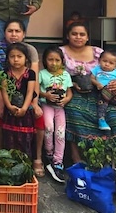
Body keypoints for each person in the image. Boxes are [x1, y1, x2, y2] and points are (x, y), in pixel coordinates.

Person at [61, 22, 116, 164]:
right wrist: (72, 84)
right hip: (74, 92)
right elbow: (55, 74)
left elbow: (114, 71)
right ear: (68, 36)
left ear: (87, 37)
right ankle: (76, 157)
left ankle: (107, 159)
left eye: (82, 34)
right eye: (74, 34)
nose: (78, 37)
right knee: (73, 111)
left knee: (113, 117)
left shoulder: (98, 52)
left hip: (101, 94)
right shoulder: (60, 53)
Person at [0, 19, 45, 176]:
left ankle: (37, 158)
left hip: (26, 89)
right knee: (0, 115)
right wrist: (1, 102)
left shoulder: (29, 50)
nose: (13, 34)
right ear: (4, 33)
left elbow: (33, 79)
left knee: (38, 117)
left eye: (17, 31)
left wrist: (34, 102)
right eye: (10, 31)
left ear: (24, 34)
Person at [38, 46, 74, 183]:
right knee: (48, 127)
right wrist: (45, 94)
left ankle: (58, 161)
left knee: (60, 132)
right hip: (46, 105)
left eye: (57, 60)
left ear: (62, 61)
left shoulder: (65, 75)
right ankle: (48, 153)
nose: (53, 63)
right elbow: (36, 89)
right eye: (50, 60)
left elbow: (69, 91)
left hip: (60, 108)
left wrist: (66, 99)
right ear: (45, 61)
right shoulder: (42, 74)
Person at [0, 43, 37, 161]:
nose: (16, 59)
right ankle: (9, 162)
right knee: (10, 137)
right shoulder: (5, 73)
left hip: (25, 110)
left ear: (26, 58)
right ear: (8, 59)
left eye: (19, 56)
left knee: (25, 138)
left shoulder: (30, 73)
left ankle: (25, 162)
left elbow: (30, 92)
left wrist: (24, 108)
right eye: (12, 56)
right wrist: (9, 106)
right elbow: (4, 91)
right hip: (10, 111)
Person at [91, 50, 116, 131]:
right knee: (102, 104)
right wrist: (97, 83)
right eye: (104, 61)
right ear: (99, 60)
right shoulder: (96, 69)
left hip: (114, 93)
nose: (107, 64)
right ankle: (101, 120)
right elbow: (91, 78)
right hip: (101, 92)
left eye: (111, 63)